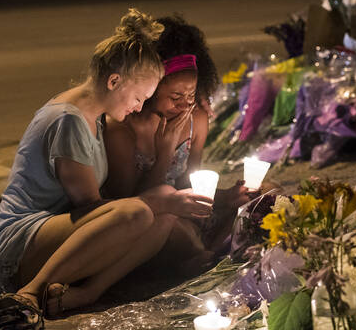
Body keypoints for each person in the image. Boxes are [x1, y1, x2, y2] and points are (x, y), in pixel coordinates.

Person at [0, 8, 211, 318]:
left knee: (163, 217)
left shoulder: (95, 118)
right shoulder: (69, 121)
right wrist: (152, 199)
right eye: (138, 97)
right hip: (24, 240)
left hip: (60, 236)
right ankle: (30, 291)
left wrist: (160, 203)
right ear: (115, 81)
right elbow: (91, 208)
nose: (139, 107)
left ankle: (88, 291)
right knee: (138, 211)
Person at [104, 15, 250, 259]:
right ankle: (205, 256)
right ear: (150, 88)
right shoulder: (122, 130)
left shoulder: (197, 119)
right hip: (150, 224)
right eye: (175, 96)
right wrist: (166, 151)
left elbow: (190, 185)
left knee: (266, 195)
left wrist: (227, 197)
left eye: (191, 95)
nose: (185, 105)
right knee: (173, 228)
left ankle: (206, 252)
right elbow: (129, 208)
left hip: (187, 216)